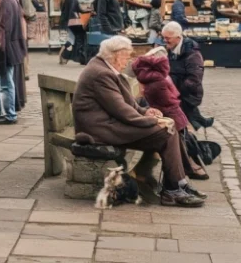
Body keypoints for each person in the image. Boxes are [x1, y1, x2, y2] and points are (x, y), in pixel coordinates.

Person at [72, 36, 205, 207]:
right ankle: (174, 189)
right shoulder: (101, 73)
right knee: (166, 132)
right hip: (100, 129)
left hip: (109, 123)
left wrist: (146, 112)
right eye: (126, 56)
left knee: (169, 129)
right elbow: (122, 111)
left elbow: (128, 105)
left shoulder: (105, 68)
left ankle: (178, 185)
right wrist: (152, 121)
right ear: (115, 55)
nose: (128, 61)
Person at [132, 47, 209, 180]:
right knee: (179, 135)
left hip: (165, 112)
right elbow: (171, 98)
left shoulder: (153, 78)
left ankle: (189, 165)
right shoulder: (159, 80)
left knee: (184, 135)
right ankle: (186, 169)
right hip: (164, 113)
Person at [162, 22, 214, 130]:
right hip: (179, 89)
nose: (165, 40)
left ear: (178, 37)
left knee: (173, 107)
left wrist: (175, 90)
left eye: (168, 38)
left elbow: (194, 79)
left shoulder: (192, 54)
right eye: (164, 37)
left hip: (189, 93)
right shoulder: (172, 49)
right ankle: (197, 121)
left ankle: (191, 126)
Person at [59, 0, 85, 65]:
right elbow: (77, 8)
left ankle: (62, 58)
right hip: (72, 21)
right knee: (72, 40)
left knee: (69, 39)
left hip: (66, 20)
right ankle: (63, 57)